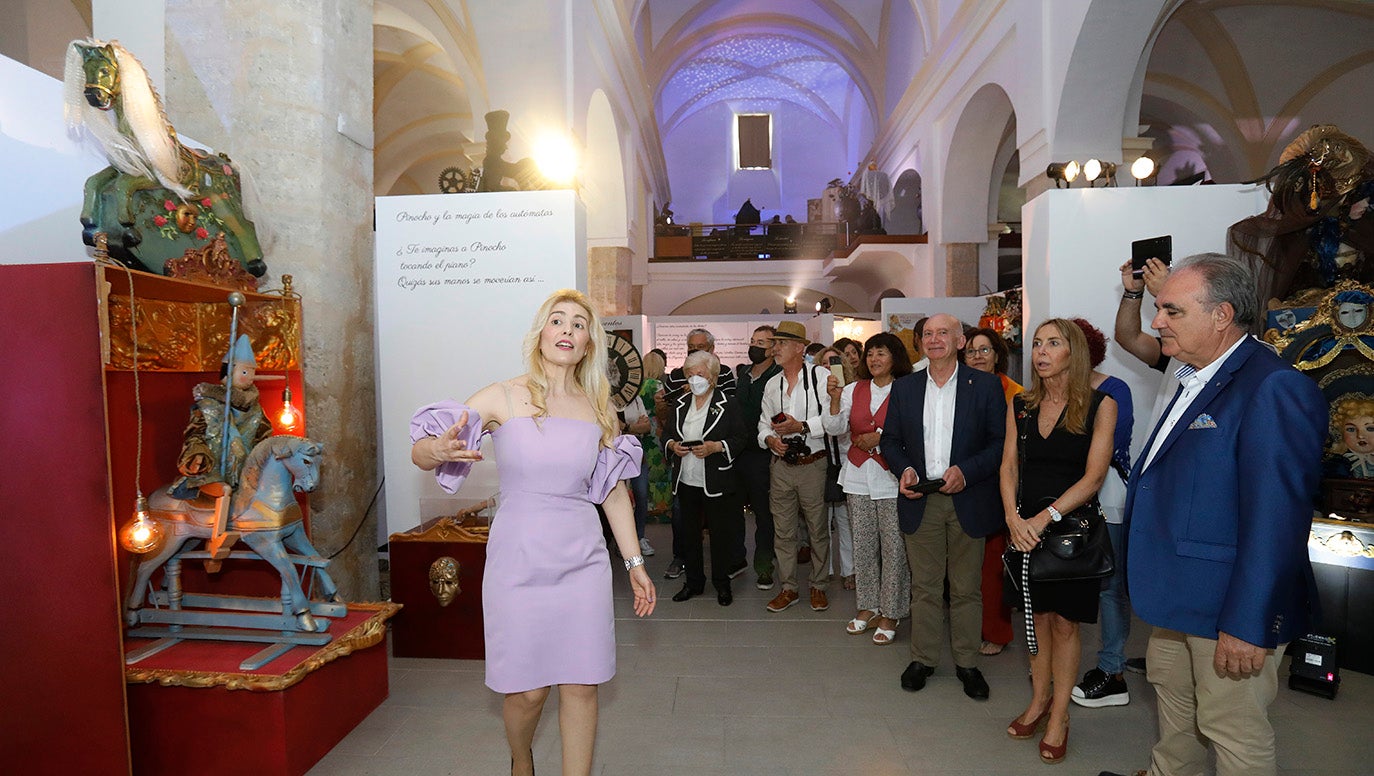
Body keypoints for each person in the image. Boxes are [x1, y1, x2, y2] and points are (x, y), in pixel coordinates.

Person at [409, 289, 656, 776]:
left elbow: (611, 493)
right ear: (541, 334)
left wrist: (634, 565)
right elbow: (426, 445)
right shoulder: (504, 394)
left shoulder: (600, 408)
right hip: (519, 558)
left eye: (578, 324)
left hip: (582, 558)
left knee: (583, 683)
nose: (567, 330)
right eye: (558, 321)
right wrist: (434, 451)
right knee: (528, 691)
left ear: (588, 343)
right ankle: (521, 757)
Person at [1100, 254, 1327, 776]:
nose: (1158, 322)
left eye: (1172, 311)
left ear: (1221, 315)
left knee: (1232, 729)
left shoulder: (1272, 387)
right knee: (1174, 705)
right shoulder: (1195, 375)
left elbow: (1278, 522)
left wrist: (1248, 623)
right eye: (1158, 309)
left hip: (1227, 606)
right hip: (1180, 597)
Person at [1000, 319, 1118, 766]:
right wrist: (1013, 518)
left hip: (1070, 532)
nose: (1041, 351)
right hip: (1024, 530)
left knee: (1066, 624)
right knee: (1035, 620)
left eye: (1053, 343)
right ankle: (1038, 699)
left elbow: (1095, 477)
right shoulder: (1021, 404)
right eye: (1036, 344)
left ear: (1075, 353)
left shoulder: (1100, 405)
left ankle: (1060, 715)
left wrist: (1045, 517)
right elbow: (1008, 466)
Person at [882, 313, 1006, 700]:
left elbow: (999, 444)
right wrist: (903, 469)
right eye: (928, 334)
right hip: (921, 500)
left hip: (967, 499)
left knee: (968, 589)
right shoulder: (905, 388)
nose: (934, 340)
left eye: (943, 333)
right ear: (921, 342)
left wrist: (966, 473)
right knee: (925, 588)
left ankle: (968, 664)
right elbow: (891, 442)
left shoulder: (985, 386)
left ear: (960, 340)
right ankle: (923, 659)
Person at [824, 331, 913, 645]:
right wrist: (834, 400)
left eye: (882, 353)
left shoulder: (907, 389)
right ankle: (867, 606)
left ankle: (891, 610)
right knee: (863, 545)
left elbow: (916, 430)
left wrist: (882, 437)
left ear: (895, 358)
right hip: (858, 476)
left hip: (892, 478)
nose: (874, 359)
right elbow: (834, 428)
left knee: (893, 548)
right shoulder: (852, 389)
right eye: (871, 353)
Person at [1067, 318, 1136, 709]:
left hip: (1106, 497)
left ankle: (1112, 670)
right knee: (1064, 580)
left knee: (1109, 587)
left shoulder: (1113, 389)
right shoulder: (1046, 393)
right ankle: (1060, 662)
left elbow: (1112, 442)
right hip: (1060, 501)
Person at [759, 320, 835, 613]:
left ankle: (818, 585)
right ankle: (788, 588)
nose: (775, 349)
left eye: (781, 343)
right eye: (775, 343)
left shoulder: (821, 377)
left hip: (813, 464)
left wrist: (800, 426)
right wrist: (769, 440)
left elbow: (833, 420)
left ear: (799, 348)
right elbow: (762, 423)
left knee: (817, 529)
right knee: (784, 531)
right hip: (780, 465)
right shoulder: (771, 383)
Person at [663, 350, 749, 606]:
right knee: (689, 534)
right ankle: (693, 582)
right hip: (686, 479)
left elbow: (740, 437)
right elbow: (666, 434)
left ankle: (722, 584)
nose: (693, 379)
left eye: (699, 374)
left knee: (720, 534)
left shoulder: (727, 403)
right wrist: (671, 445)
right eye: (689, 374)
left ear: (712, 377)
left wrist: (716, 447)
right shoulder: (679, 405)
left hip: (715, 479)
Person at [960, 327, 1023, 657]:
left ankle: (997, 632)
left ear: (998, 355)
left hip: (998, 490)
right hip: (960, 487)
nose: (977, 357)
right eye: (971, 351)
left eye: (984, 350)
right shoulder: (954, 388)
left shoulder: (1016, 393)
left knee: (992, 569)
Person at [171, 334, 272, 499]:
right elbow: (195, 434)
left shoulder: (255, 410)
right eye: (244, 371)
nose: (249, 377)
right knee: (217, 490)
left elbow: (264, 435)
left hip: (247, 469)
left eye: (252, 372)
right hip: (215, 466)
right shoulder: (208, 406)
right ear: (228, 371)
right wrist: (198, 453)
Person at [735, 325, 782, 589]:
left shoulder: (777, 376)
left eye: (761, 342)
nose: (755, 346)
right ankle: (736, 559)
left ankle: (764, 566)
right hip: (737, 451)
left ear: (773, 347)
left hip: (762, 453)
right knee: (733, 510)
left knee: (764, 514)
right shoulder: (743, 373)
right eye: (753, 341)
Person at [813, 345, 854, 590]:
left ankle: (849, 570)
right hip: (821, 461)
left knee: (845, 520)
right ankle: (825, 568)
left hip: (847, 461)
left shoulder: (850, 391)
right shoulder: (814, 393)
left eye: (833, 362)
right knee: (821, 520)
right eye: (824, 364)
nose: (829, 367)